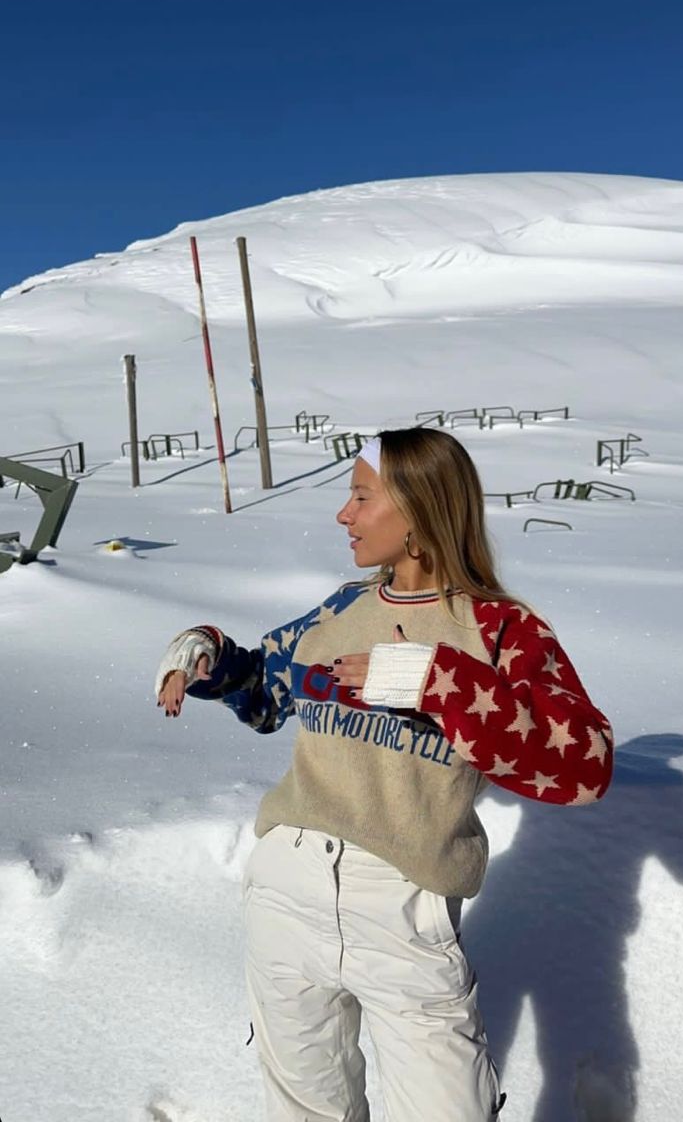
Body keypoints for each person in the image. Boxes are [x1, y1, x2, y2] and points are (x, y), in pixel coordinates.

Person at [155, 427, 614, 1122]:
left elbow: (583, 763)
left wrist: (430, 679)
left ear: (422, 509)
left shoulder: (498, 631)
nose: (344, 514)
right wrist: (206, 655)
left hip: (403, 904)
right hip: (287, 886)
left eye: (361, 496)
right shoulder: (343, 607)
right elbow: (266, 688)